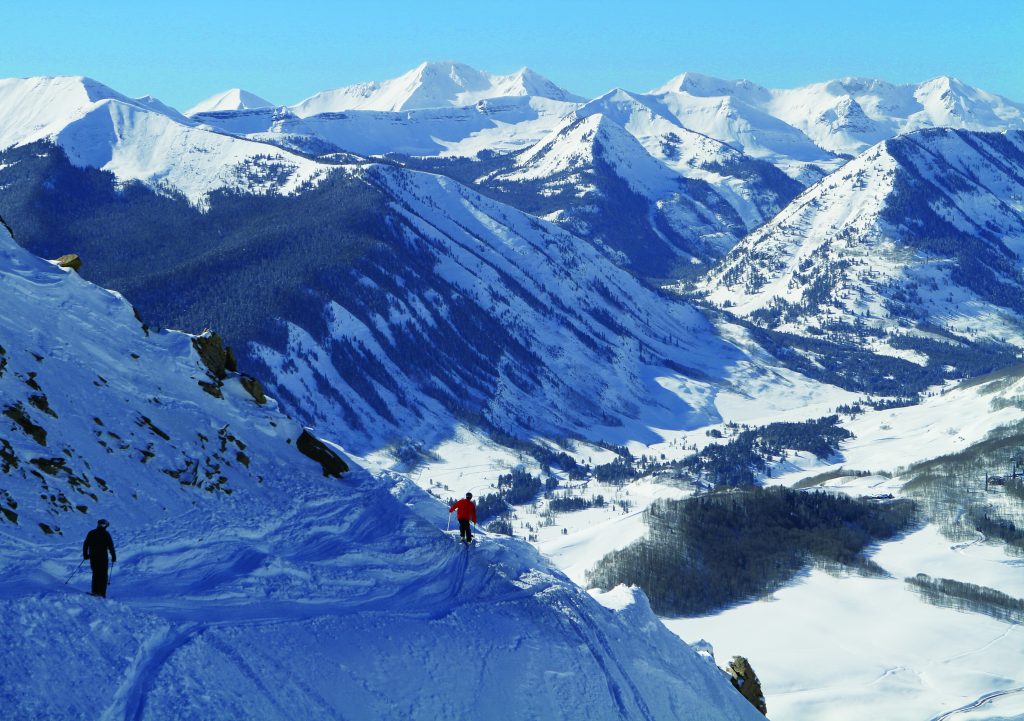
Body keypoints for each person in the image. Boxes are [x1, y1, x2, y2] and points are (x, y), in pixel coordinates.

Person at [83, 519, 116, 597]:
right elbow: (110, 546)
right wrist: (113, 556)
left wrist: (85, 554)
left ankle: (95, 591)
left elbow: (86, 545)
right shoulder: (106, 534)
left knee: (96, 574)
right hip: (103, 558)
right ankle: (102, 593)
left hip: (93, 557)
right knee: (103, 575)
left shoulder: (91, 533)